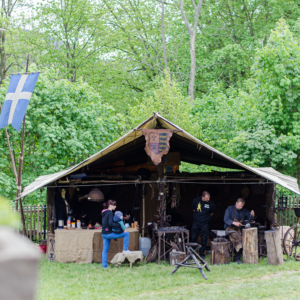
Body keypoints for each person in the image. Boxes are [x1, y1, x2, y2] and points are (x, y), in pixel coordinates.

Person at [101, 200, 132, 269]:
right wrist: (119, 225)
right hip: (109, 233)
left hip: (104, 233)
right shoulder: (110, 213)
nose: (116, 206)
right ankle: (125, 249)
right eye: (115, 205)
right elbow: (110, 223)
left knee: (105, 250)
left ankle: (104, 266)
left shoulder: (104, 212)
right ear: (111, 205)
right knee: (126, 233)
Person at [224, 198, 255, 264]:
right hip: (229, 228)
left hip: (238, 229)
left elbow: (249, 218)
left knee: (243, 238)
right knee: (238, 238)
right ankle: (237, 258)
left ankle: (242, 255)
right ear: (236, 203)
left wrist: (252, 215)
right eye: (240, 206)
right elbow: (226, 219)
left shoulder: (243, 210)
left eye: (242, 206)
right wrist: (234, 223)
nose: (241, 207)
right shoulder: (229, 209)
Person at [191, 191, 216, 259]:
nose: (208, 199)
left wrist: (207, 217)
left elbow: (213, 211)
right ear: (202, 197)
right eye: (207, 198)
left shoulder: (211, 203)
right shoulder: (196, 200)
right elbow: (193, 209)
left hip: (205, 223)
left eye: (209, 198)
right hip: (196, 222)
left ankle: (202, 254)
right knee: (193, 237)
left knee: (204, 238)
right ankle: (193, 253)